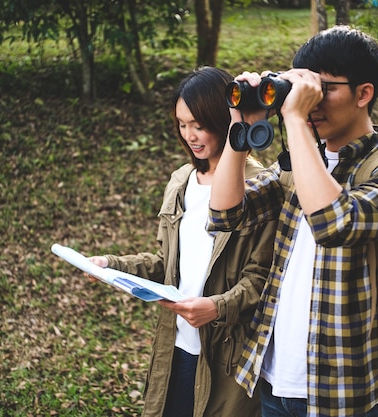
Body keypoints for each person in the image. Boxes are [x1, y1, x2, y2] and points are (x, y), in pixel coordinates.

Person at [207, 26, 378, 417]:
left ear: (364, 93)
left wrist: (294, 118)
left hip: (341, 392)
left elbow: (334, 224)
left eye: (324, 89)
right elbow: (226, 213)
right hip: (273, 377)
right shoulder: (297, 165)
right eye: (305, 89)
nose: (312, 103)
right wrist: (239, 129)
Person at [87, 66, 276, 417]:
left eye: (199, 124)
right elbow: (167, 264)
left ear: (225, 117)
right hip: (176, 346)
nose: (190, 134)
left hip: (228, 356)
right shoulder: (182, 180)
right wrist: (112, 266)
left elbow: (261, 281)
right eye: (182, 124)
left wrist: (216, 307)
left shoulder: (262, 185)